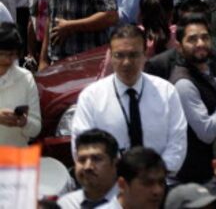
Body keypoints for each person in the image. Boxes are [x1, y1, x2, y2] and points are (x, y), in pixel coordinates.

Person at [71, 24, 187, 173]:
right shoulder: (91, 97)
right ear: (110, 56)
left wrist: (151, 176)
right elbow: (81, 147)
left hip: (158, 183)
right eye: (119, 55)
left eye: (133, 55)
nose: (126, 62)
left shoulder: (166, 92)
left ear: (145, 55)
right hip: (108, 185)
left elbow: (177, 143)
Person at [167, 13, 216, 183]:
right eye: (192, 39)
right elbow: (207, 132)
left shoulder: (207, 71)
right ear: (179, 46)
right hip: (196, 181)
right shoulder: (184, 84)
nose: (200, 44)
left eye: (205, 37)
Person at [58, 129, 120, 209]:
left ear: (115, 163)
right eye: (82, 159)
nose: (87, 167)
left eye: (96, 159)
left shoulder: (131, 202)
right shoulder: (65, 205)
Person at [0, 22, 39, 146]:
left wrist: (24, 122)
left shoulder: (26, 79)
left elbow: (36, 128)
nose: (6, 59)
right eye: (1, 54)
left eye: (11, 54)